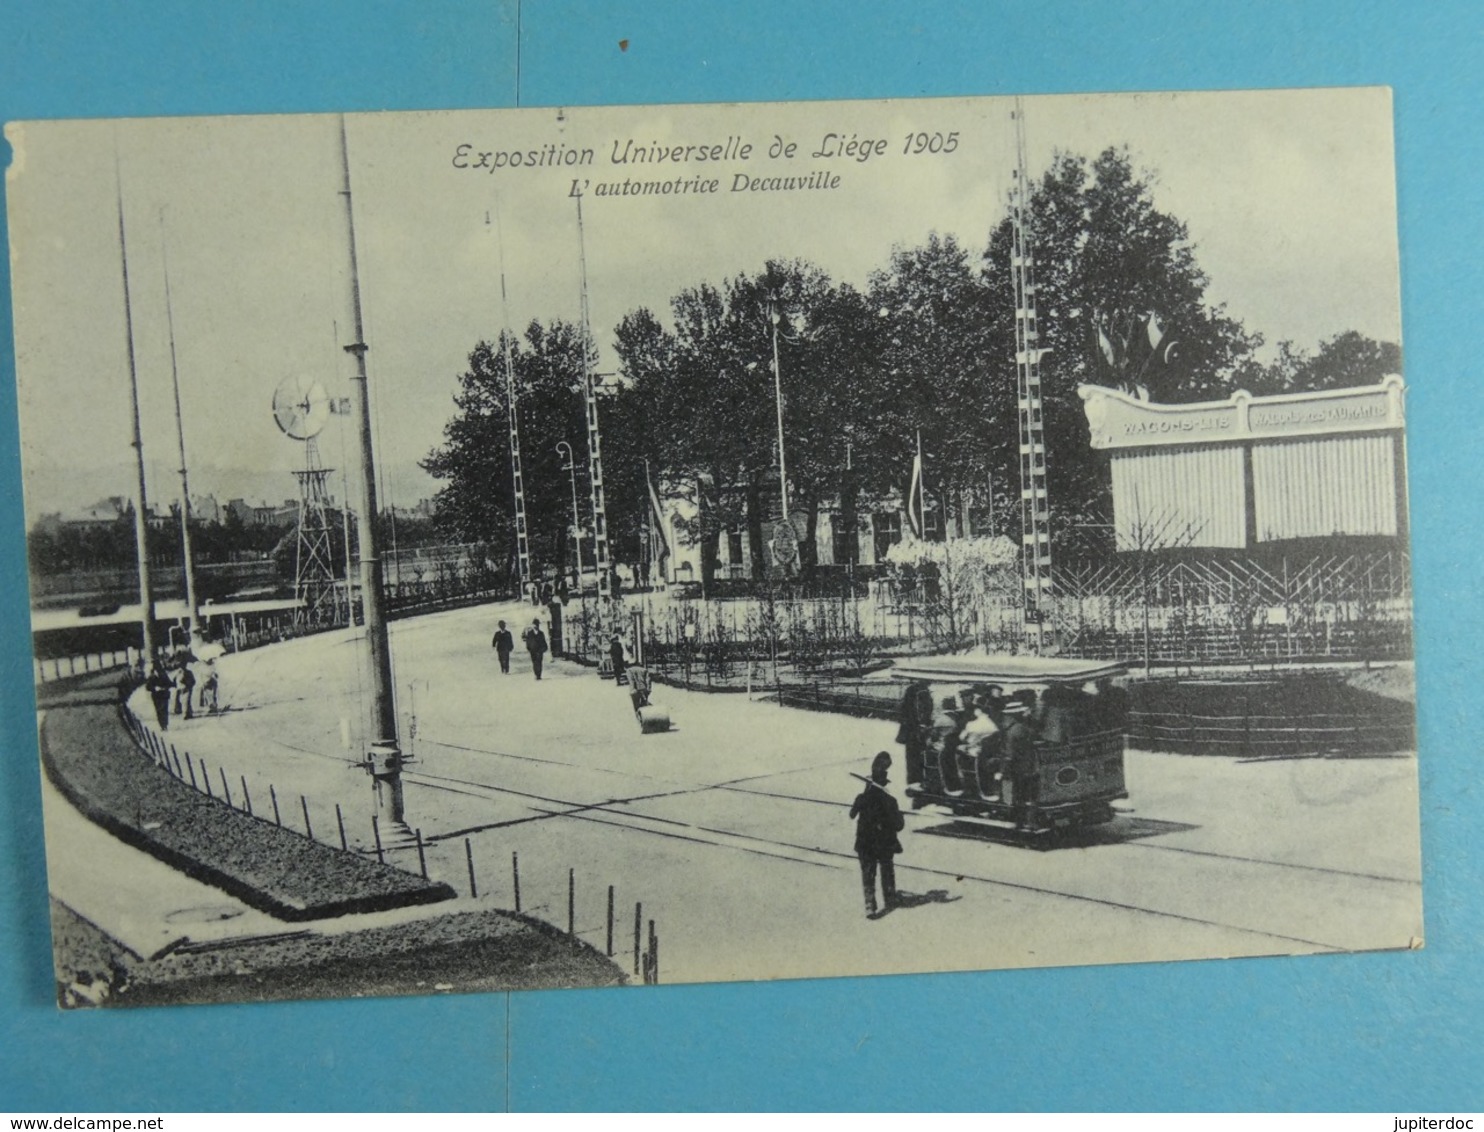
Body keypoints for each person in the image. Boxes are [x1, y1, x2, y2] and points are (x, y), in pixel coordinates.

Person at [849, 751, 906, 918]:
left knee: (868, 873)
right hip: (884, 843)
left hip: (865, 843)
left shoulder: (861, 798)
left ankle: (870, 906)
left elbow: (852, 815)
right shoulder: (890, 801)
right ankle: (889, 899)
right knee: (887, 870)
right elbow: (899, 825)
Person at [145, 664, 173, 730]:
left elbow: (170, 684)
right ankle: (162, 725)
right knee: (159, 711)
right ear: (154, 671)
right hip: (156, 697)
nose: (158, 672)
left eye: (159, 670)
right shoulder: (151, 677)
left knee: (165, 710)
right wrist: (155, 688)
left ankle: (165, 725)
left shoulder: (164, 676)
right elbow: (147, 687)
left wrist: (165, 687)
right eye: (156, 671)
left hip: (164, 695)